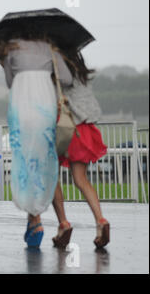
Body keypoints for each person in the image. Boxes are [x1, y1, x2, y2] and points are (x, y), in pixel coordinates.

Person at [0, 35, 73, 248]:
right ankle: (49, 218)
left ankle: (35, 220)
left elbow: (10, 82)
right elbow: (66, 79)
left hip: (21, 109)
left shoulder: (12, 50)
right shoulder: (50, 49)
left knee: (25, 159)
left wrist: (7, 63)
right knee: (45, 161)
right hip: (45, 108)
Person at [51, 51, 110, 249]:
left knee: (52, 175)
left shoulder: (60, 70)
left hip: (66, 128)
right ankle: (101, 221)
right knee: (81, 179)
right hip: (85, 129)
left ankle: (63, 224)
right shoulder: (82, 73)